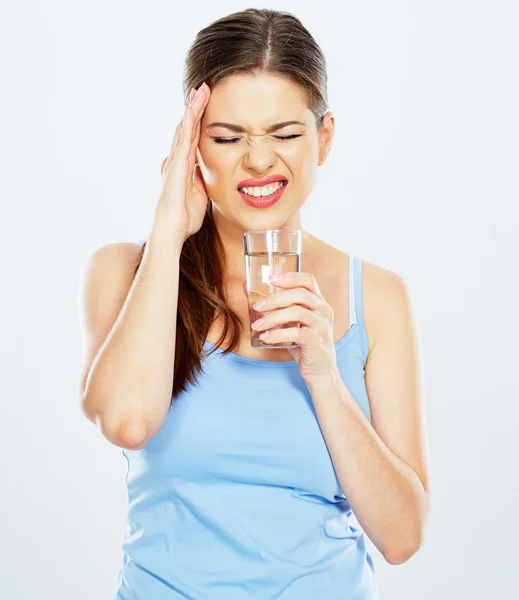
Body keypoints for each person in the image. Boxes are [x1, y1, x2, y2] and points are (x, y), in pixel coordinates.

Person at [78, 8, 431, 599]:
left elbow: (402, 537)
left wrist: (323, 374)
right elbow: (128, 422)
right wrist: (169, 230)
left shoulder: (379, 297)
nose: (259, 160)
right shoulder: (125, 271)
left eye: (286, 134)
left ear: (324, 138)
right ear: (192, 144)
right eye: (227, 137)